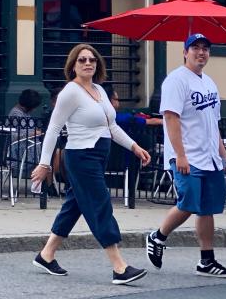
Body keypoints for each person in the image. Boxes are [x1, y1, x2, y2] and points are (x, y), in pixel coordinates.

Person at [30, 43, 150, 285]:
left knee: (75, 204)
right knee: (99, 203)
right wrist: (45, 164)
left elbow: (111, 126)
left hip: (98, 155)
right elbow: (53, 129)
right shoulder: (70, 92)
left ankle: (46, 254)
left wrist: (134, 147)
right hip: (81, 156)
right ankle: (119, 266)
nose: (88, 63)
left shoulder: (99, 90)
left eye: (92, 60)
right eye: (82, 60)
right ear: (73, 65)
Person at [145, 33, 226, 279]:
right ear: (185, 52)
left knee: (207, 208)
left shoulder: (209, 82)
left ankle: (207, 261)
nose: (201, 52)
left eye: (205, 48)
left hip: (210, 157)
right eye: (195, 47)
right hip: (187, 155)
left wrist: (224, 155)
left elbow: (213, 123)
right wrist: (180, 155)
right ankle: (158, 236)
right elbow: (171, 118)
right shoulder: (176, 81)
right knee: (189, 203)